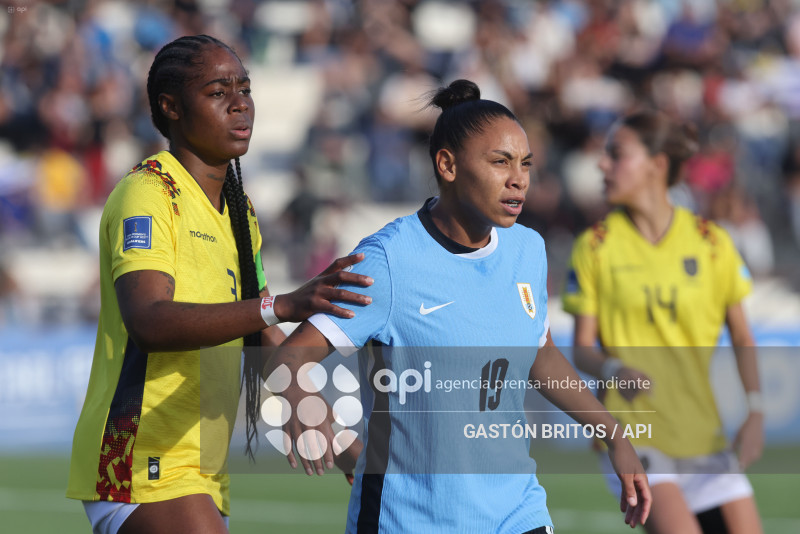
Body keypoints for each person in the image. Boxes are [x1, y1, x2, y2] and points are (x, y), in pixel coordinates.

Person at [267, 79, 651, 533]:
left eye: (525, 164)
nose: (519, 178)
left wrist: (613, 432)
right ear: (447, 165)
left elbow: (539, 353)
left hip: (517, 512)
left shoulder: (527, 249)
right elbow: (288, 359)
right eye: (500, 162)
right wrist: (306, 409)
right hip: (408, 521)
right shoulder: (388, 260)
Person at [66, 34, 372, 534]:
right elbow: (149, 322)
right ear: (171, 107)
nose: (239, 104)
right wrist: (282, 304)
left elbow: (257, 331)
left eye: (245, 89)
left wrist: (343, 442)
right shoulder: (147, 192)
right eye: (217, 92)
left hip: (201, 464)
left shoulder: (239, 210)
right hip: (140, 457)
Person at [562, 110, 764, 534]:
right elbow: (582, 348)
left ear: (657, 164)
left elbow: (743, 334)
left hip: (701, 432)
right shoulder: (595, 246)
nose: (602, 164)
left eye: (616, 155)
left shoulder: (713, 242)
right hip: (634, 433)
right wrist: (615, 369)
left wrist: (756, 410)